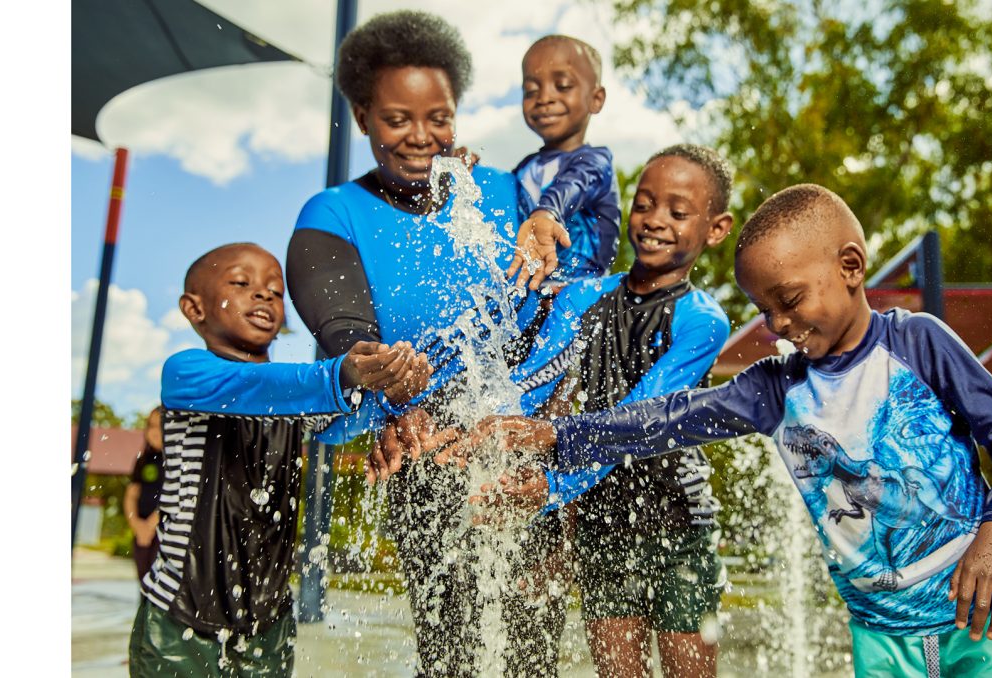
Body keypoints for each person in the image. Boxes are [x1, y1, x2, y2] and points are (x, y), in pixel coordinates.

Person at [441, 184, 992, 677]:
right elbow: (667, 418)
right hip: (881, 634)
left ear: (850, 266)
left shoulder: (918, 342)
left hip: (984, 615)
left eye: (789, 299)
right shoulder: (775, 389)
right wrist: (556, 436)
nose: (778, 323)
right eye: (765, 310)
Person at [283, 11, 558, 676]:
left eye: (438, 116)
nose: (420, 136)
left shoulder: (503, 192)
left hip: (526, 445)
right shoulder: (336, 214)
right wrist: (384, 389)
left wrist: (548, 218)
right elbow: (344, 329)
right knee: (454, 651)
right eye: (396, 118)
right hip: (424, 446)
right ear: (362, 117)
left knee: (534, 650)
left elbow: (567, 307)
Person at [128, 243, 429, 677]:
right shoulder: (188, 374)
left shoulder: (297, 395)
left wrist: (396, 411)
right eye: (241, 283)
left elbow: (344, 415)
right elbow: (254, 386)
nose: (264, 295)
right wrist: (341, 372)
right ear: (194, 308)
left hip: (268, 620)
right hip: (179, 615)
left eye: (274, 289)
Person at [495, 144, 734, 678]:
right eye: (644, 204)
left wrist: (554, 483)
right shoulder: (584, 297)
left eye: (677, 211)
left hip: (679, 523)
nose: (654, 221)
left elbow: (639, 421)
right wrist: (486, 426)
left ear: (716, 229)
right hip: (603, 522)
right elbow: (535, 381)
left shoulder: (702, 320)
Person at [506, 35, 620, 291]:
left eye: (563, 86)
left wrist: (546, 212)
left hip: (583, 296)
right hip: (533, 291)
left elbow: (573, 185)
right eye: (531, 90)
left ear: (596, 99)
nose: (544, 97)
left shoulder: (595, 162)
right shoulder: (526, 167)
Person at [124, 406, 164, 582]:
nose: (155, 432)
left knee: (160, 579)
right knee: (143, 579)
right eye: (151, 426)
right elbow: (131, 494)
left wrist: (151, 525)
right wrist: (136, 524)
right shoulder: (143, 459)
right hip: (141, 529)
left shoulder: (174, 460)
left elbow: (173, 494)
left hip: (161, 529)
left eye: (160, 426)